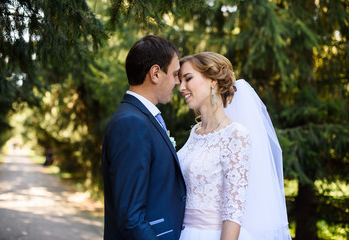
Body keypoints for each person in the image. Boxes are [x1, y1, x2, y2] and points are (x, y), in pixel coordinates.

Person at [177, 52, 292, 240]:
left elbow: (233, 211)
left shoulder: (236, 134)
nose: (181, 87)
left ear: (213, 82)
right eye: (180, 81)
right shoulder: (195, 132)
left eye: (188, 78)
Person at [101, 35, 187, 240]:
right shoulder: (131, 123)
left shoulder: (141, 117)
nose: (177, 82)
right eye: (175, 74)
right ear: (155, 73)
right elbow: (130, 217)